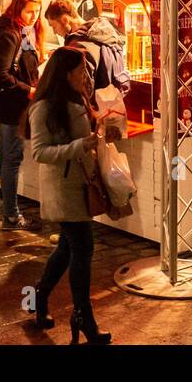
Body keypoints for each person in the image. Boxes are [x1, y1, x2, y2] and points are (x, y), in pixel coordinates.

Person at [29, 46, 121, 343]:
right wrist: (80, 146)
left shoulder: (77, 97)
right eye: (81, 70)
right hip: (63, 186)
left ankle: (39, 297)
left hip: (82, 181)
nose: (85, 76)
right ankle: (83, 316)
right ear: (65, 73)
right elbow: (40, 152)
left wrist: (105, 127)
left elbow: (86, 134)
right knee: (83, 247)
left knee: (69, 249)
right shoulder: (43, 107)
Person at [0, 0, 45, 230]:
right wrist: (28, 89)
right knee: (12, 157)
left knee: (5, 154)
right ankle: (11, 216)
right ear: (17, 9)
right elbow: (0, 73)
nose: (34, 16)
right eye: (29, 11)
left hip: (14, 103)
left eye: (37, 11)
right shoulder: (10, 34)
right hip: (11, 105)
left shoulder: (25, 32)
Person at [44, 0, 130, 92]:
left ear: (65, 20)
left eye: (54, 26)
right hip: (114, 102)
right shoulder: (103, 33)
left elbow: (81, 91)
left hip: (94, 106)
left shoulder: (79, 48)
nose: (54, 32)